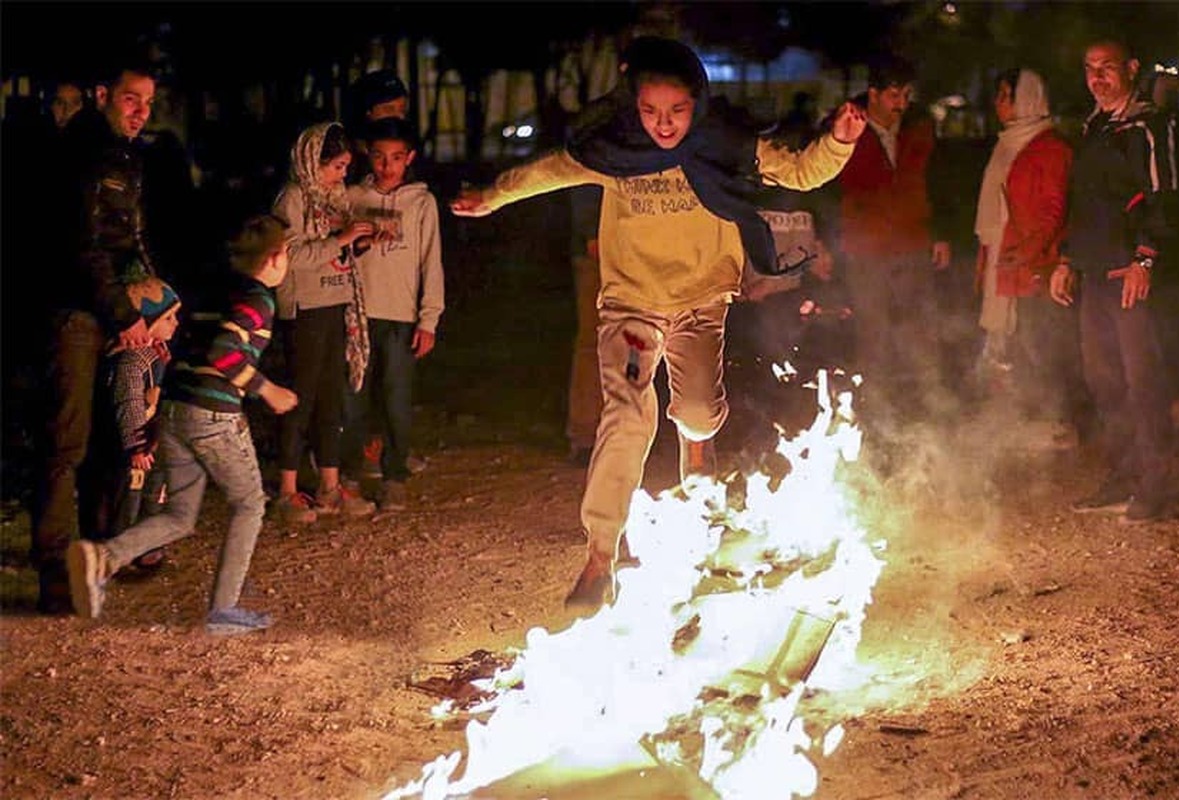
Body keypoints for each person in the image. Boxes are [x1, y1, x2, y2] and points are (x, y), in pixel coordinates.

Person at [451, 36, 865, 611]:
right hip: (631, 307)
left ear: (697, 102)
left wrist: (839, 140)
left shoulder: (725, 147)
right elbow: (549, 172)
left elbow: (800, 172)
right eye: (650, 112)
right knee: (625, 415)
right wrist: (492, 197)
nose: (662, 125)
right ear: (632, 107)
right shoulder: (614, 149)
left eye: (676, 111)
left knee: (696, 413)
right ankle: (601, 554)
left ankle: (698, 448)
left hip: (701, 302)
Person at [66, 214, 298, 634]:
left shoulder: (217, 288)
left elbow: (187, 348)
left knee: (180, 514)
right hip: (213, 415)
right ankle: (223, 611)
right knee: (249, 504)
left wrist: (163, 417)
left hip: (177, 409)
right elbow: (225, 353)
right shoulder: (259, 298)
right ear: (276, 257)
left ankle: (106, 559)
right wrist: (267, 390)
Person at [31, 57, 159, 614]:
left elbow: (125, 241)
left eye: (148, 103)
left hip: (108, 312)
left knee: (112, 436)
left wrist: (152, 306)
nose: (140, 112)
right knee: (68, 441)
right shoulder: (80, 155)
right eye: (132, 99)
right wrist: (122, 312)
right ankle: (57, 573)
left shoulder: (120, 155)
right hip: (75, 315)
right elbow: (84, 245)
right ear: (103, 93)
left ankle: (101, 558)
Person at [1049, 39, 1177, 524]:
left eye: (1107, 69)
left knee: (1142, 380)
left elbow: (1163, 197)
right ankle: (1123, 473)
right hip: (1094, 273)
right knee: (1103, 379)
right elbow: (1084, 204)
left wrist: (1145, 259)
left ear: (1131, 68)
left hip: (1130, 275)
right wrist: (1066, 259)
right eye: (1090, 69)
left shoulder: (1148, 125)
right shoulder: (1094, 126)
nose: (1097, 78)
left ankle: (1155, 485)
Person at [836, 54, 953, 427]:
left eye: (906, 94)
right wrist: (826, 240)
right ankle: (877, 412)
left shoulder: (918, 126)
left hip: (912, 242)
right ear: (873, 93)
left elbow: (937, 179)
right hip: (865, 249)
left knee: (920, 328)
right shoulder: (844, 126)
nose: (901, 103)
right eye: (893, 94)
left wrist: (942, 232)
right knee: (874, 332)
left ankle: (929, 406)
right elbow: (823, 184)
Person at [972, 68, 1086, 447]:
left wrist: (1027, 255)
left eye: (1006, 95)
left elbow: (1054, 212)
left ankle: (1061, 421)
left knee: (1043, 345)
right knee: (1021, 343)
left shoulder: (1050, 147)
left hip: (1037, 265)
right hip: (1008, 262)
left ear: (1027, 99)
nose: (999, 103)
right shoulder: (1009, 142)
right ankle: (1033, 418)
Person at [272, 121, 376, 521]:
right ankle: (287, 490)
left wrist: (359, 243)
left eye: (346, 166)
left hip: (335, 302)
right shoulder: (293, 198)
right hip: (305, 308)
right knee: (301, 397)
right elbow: (291, 255)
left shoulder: (334, 198)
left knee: (332, 396)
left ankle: (330, 487)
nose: (342, 174)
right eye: (336, 166)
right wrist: (342, 240)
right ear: (311, 162)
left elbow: (338, 250)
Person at [341, 117, 444, 510]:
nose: (387, 166)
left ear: (409, 158)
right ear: (369, 155)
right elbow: (339, 252)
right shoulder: (351, 197)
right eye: (380, 157)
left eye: (397, 158)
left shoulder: (421, 203)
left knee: (396, 397)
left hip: (401, 316)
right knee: (353, 395)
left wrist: (428, 318)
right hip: (357, 314)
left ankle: (395, 473)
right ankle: (349, 472)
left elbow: (430, 262)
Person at [95, 277, 182, 570]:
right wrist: (135, 444)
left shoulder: (154, 355)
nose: (175, 323)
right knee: (129, 496)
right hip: (134, 446)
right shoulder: (132, 361)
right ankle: (121, 548)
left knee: (154, 491)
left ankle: (148, 543)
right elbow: (129, 401)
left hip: (151, 440)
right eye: (168, 317)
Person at [565, 185, 603, 466]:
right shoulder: (595, 141)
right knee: (594, 341)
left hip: (650, 244)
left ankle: (635, 433)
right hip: (601, 245)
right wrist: (591, 229)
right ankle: (586, 435)